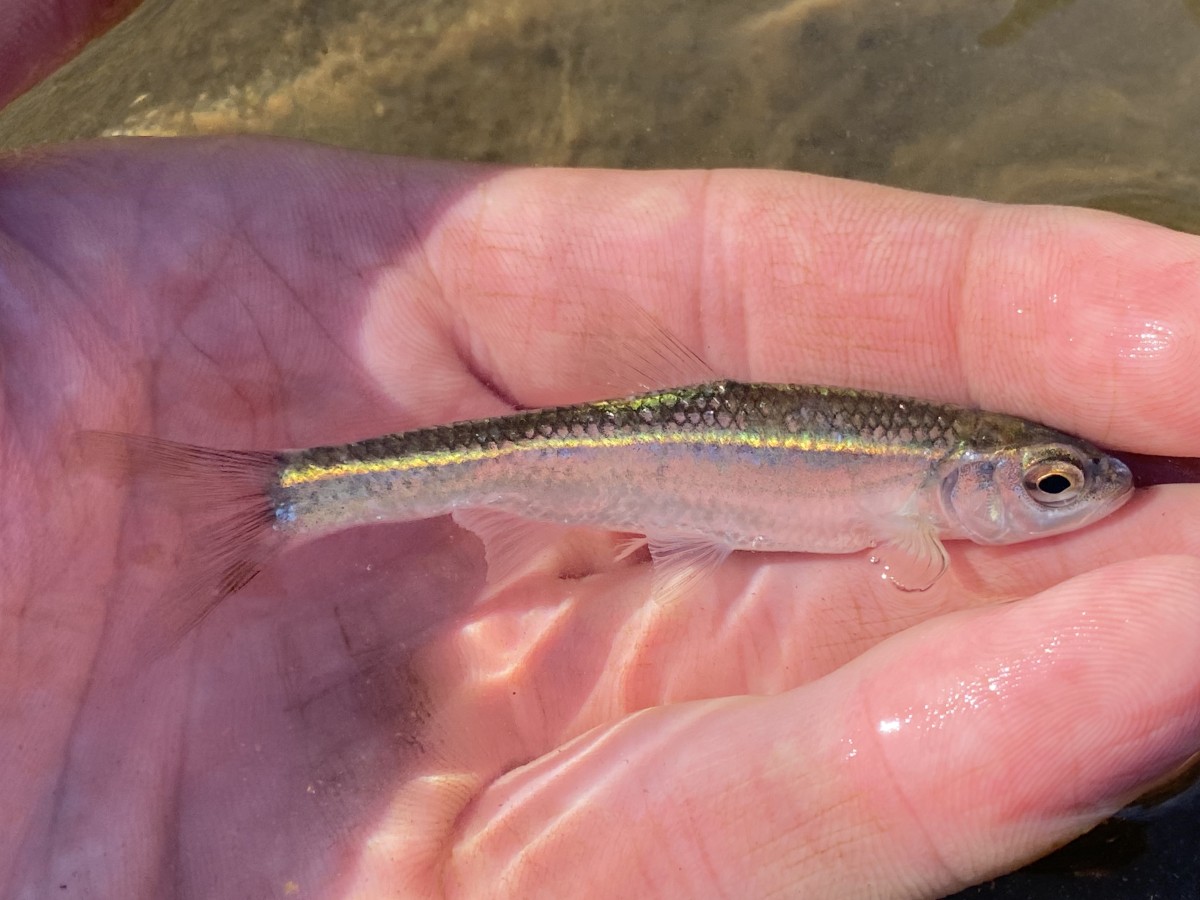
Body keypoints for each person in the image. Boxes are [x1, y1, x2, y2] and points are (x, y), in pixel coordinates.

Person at [5, 4, 1200, 897]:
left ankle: (292, 498)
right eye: (1049, 485)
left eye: (1055, 486)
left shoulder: (923, 485)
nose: (1069, 497)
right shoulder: (921, 509)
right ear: (962, 481)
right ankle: (288, 498)